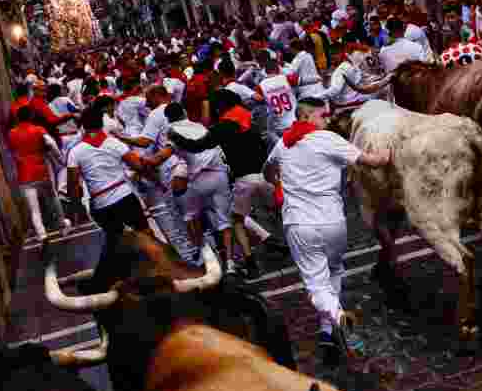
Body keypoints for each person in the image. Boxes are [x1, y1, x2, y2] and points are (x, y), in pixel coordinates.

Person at [262, 97, 391, 365]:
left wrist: (278, 181)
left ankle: (337, 315)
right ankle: (328, 330)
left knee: (316, 284)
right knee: (333, 272)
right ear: (308, 117)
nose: (327, 120)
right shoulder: (328, 139)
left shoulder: (283, 143)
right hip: (334, 223)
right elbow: (373, 161)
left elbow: (267, 171)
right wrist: (388, 153)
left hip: (300, 225)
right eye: (323, 115)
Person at [167, 89, 275, 279]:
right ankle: (285, 241)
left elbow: (196, 146)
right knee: (282, 210)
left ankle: (249, 263)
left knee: (236, 220)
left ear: (219, 107)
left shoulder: (221, 127)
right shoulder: (248, 117)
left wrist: (176, 138)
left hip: (243, 179)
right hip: (267, 175)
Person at [143, 103, 235, 272]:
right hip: (219, 174)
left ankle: (203, 255)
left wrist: (142, 162)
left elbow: (159, 158)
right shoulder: (198, 125)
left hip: (197, 179)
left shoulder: (172, 132)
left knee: (190, 216)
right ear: (184, 113)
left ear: (168, 119)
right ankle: (230, 263)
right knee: (224, 222)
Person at [66, 106, 151, 253]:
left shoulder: (75, 152)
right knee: (147, 234)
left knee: (117, 243)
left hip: (101, 205)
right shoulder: (114, 143)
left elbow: (73, 185)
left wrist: (76, 209)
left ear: (83, 126)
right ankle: (160, 266)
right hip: (125, 197)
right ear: (101, 123)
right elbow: (138, 166)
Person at [7, 105, 71, 241]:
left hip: (24, 175)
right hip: (41, 172)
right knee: (52, 198)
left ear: (18, 118)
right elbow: (52, 144)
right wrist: (60, 159)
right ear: (31, 116)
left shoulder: (11, 133)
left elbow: (13, 152)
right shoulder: (38, 130)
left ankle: (42, 235)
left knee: (34, 208)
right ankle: (62, 224)